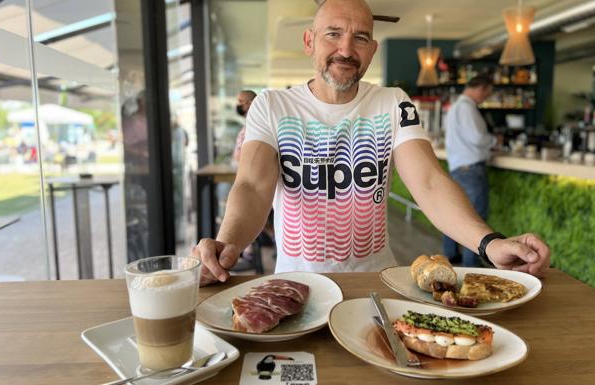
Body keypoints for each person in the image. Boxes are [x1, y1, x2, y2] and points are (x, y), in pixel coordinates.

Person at [193, 0, 550, 286]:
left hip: (375, 283)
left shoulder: (394, 103)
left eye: (360, 38)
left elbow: (429, 183)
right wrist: (227, 246)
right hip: (297, 285)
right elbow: (253, 188)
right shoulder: (272, 106)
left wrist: (490, 243)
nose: (346, 49)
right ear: (309, 41)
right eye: (332, 34)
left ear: (372, 49)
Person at [443, 75, 498, 267]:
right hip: (472, 171)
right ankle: (471, 265)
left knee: (455, 214)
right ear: (480, 88)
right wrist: (493, 141)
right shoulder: (467, 107)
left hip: (458, 168)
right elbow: (476, 137)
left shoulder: (454, 107)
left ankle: (451, 255)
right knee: (476, 220)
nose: (485, 98)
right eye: (487, 93)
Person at [233, 90, 257, 163]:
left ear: (250, 103)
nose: (237, 105)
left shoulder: (256, 124)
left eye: (240, 101)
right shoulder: (248, 123)